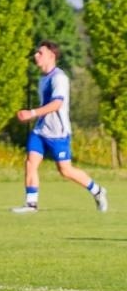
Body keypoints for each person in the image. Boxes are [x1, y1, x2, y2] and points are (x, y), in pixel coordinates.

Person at [12, 41, 107, 214]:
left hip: (58, 133)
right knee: (30, 163)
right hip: (41, 130)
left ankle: (97, 190)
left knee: (65, 170)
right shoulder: (42, 78)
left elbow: (57, 104)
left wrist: (32, 113)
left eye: (40, 53)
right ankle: (31, 204)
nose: (36, 55)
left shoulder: (59, 78)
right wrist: (35, 116)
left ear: (51, 56)